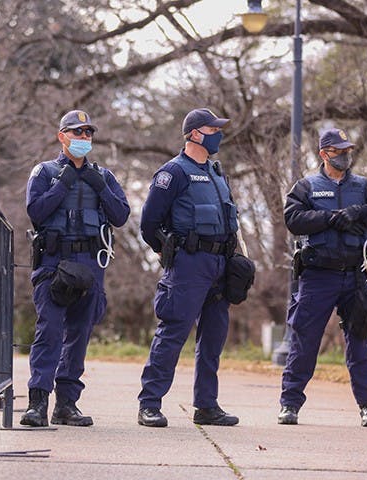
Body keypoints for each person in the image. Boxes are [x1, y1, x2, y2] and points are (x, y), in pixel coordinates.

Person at [278, 127, 367, 427]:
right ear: (323, 154)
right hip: (318, 276)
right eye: (338, 151)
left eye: (347, 150)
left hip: (355, 277)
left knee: (359, 343)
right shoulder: (306, 186)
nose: (344, 155)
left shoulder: (366, 187)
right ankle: (289, 404)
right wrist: (330, 219)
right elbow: (292, 219)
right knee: (305, 341)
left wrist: (360, 212)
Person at [21, 110, 130, 427]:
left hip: (90, 264)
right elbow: (36, 212)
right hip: (55, 263)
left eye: (88, 133)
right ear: (62, 136)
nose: (83, 138)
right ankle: (37, 403)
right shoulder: (44, 172)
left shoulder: (104, 176)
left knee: (79, 334)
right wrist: (63, 183)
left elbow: (121, 215)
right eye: (77, 132)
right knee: (50, 331)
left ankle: (67, 404)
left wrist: (101, 187)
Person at [137, 108, 241, 428]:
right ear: (195, 134)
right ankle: (149, 403)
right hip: (188, 265)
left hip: (219, 264)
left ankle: (206, 406)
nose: (218, 135)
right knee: (173, 333)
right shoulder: (173, 172)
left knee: (213, 337)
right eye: (213, 129)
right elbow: (148, 223)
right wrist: (170, 253)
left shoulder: (216, 173)